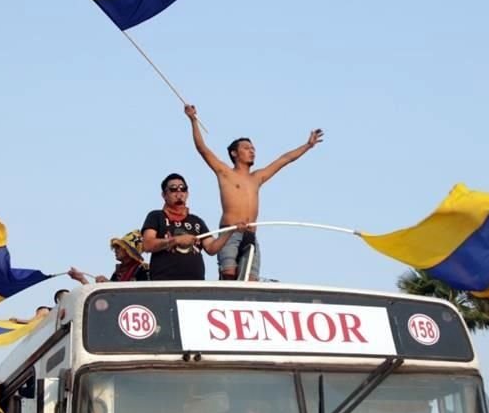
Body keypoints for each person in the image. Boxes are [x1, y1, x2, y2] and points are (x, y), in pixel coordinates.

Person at [184, 104, 323, 280]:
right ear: (234, 153)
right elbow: (203, 149)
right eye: (247, 148)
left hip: (251, 234)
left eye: (253, 149)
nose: (252, 151)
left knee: (250, 279)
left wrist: (308, 145)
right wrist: (193, 120)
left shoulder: (257, 177)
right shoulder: (225, 172)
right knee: (229, 275)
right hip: (230, 231)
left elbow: (285, 159)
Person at [141, 173, 242, 281]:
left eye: (183, 189)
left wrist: (231, 230)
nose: (179, 193)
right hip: (165, 283)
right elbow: (147, 244)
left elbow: (211, 248)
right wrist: (176, 240)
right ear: (164, 195)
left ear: (187, 193)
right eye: (173, 189)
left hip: (194, 284)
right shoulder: (156, 216)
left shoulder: (196, 220)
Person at [68, 230, 150, 284]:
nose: (115, 250)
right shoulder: (118, 273)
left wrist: (109, 284)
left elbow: (140, 296)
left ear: (128, 251)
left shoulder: (143, 270)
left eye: (119, 247)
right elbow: (107, 302)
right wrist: (82, 279)